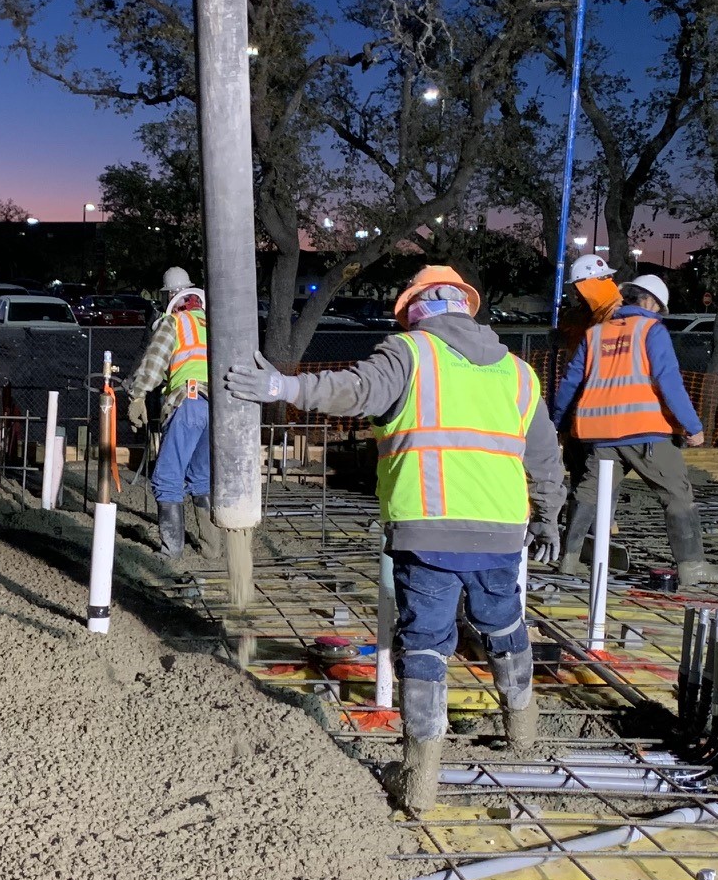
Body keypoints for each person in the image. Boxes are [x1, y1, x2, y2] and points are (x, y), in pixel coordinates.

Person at [225, 265, 567, 807]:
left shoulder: (412, 354)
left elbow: (354, 391)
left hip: (428, 528)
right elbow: (546, 456)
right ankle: (522, 736)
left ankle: (421, 782)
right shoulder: (519, 373)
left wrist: (282, 386)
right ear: (466, 307)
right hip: (502, 530)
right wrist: (549, 515)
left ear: (415, 311)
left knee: (426, 645)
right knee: (505, 623)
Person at [551, 273, 718, 588]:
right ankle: (693, 567)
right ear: (651, 302)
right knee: (677, 493)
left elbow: (571, 383)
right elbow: (668, 381)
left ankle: (569, 559)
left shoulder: (595, 334)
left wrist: (556, 424)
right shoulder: (652, 330)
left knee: (588, 493)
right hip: (644, 433)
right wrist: (693, 426)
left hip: (599, 434)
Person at [127, 267, 219, 559]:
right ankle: (212, 548)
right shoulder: (214, 323)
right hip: (217, 408)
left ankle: (171, 553)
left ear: (170, 296)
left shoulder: (174, 322)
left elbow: (154, 364)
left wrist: (138, 396)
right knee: (202, 477)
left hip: (188, 402)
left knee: (167, 477)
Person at [556, 253, 622, 353]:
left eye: (577, 289)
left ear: (587, 286)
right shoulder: (601, 310)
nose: (576, 296)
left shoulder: (615, 313)